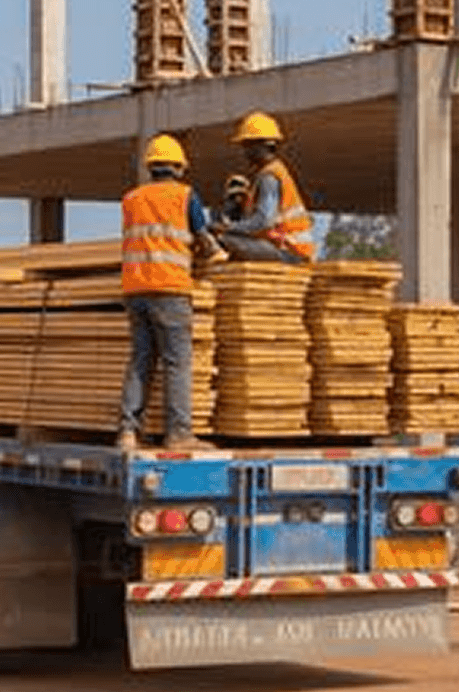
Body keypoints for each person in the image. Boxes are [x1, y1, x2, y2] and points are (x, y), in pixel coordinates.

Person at [118, 133, 224, 452]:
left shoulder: (131, 199)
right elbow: (202, 238)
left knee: (142, 360)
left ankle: (127, 432)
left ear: (151, 166)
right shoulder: (185, 196)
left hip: (136, 288)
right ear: (179, 167)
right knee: (177, 361)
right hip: (170, 288)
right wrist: (218, 254)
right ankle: (178, 433)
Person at [214, 111, 316, 265]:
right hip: (284, 247)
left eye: (247, 146)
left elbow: (263, 221)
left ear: (260, 145)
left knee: (224, 237)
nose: (245, 152)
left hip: (290, 251)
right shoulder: (270, 174)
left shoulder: (269, 177)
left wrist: (228, 227)